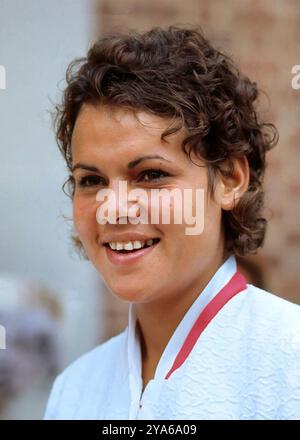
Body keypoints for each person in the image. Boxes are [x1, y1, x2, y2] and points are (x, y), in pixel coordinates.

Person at [44, 25, 300, 420]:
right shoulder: (74, 390)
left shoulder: (290, 363)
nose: (114, 209)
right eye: (91, 181)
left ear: (230, 179)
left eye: (150, 175)